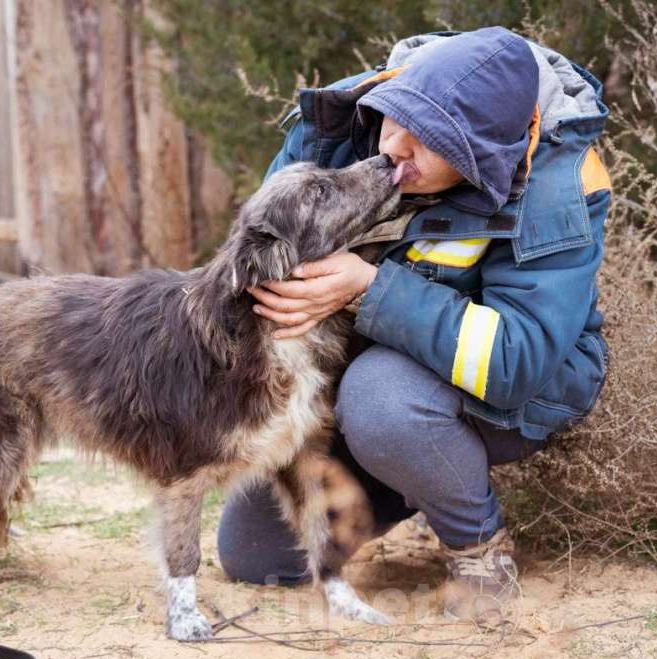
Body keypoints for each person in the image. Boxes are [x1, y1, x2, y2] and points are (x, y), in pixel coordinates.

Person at [218, 26, 612, 619]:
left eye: (431, 142)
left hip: (505, 393)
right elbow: (262, 256)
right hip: (344, 380)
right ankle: (413, 472)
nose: (394, 148)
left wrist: (367, 287)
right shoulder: (340, 121)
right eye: (394, 118)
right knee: (257, 553)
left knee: (383, 397)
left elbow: (515, 361)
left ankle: (477, 543)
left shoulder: (561, 184)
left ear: (488, 156)